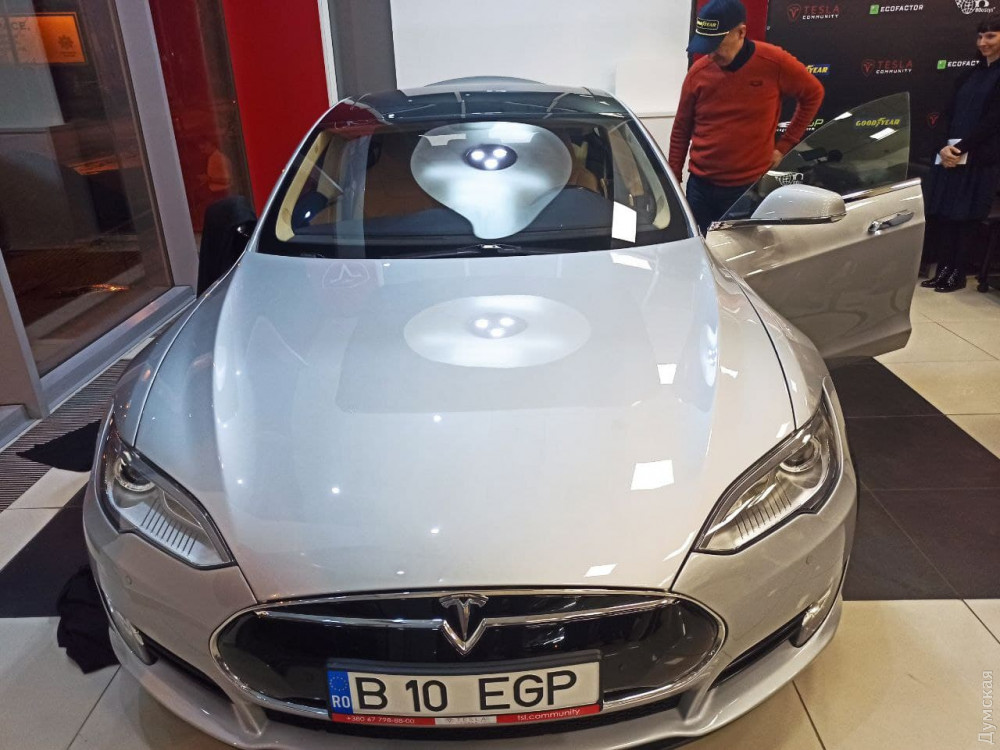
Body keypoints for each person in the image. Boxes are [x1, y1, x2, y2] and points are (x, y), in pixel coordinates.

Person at [668, 0, 824, 234]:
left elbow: (813, 94)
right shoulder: (698, 73)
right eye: (706, 45)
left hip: (745, 189)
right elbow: (681, 128)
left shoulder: (774, 62)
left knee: (741, 250)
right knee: (700, 245)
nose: (711, 53)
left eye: (717, 44)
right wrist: (673, 178)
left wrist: (785, 145)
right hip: (700, 186)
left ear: (740, 33)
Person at [921, 17, 1000, 293]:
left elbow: (992, 121)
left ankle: (957, 273)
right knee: (945, 215)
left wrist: (961, 149)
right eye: (980, 37)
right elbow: (947, 113)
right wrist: (943, 147)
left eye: (990, 36)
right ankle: (943, 269)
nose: (983, 43)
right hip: (950, 158)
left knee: (965, 218)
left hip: (978, 159)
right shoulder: (969, 74)